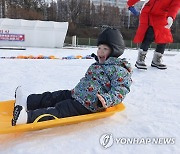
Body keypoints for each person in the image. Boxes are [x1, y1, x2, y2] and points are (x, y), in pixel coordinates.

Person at [12, 27, 132, 126]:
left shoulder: (119, 70)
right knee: (53, 97)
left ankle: (26, 118)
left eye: (105, 49)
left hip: (88, 104)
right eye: (99, 48)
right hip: (75, 94)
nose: (100, 52)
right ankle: (26, 101)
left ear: (115, 51)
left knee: (59, 110)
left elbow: (120, 90)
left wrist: (106, 99)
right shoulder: (97, 65)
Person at [127, 0, 180, 69]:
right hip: (148, 13)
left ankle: (156, 60)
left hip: (162, 15)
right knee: (149, 34)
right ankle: (140, 59)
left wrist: (171, 16)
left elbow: (175, 5)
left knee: (163, 36)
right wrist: (130, 3)